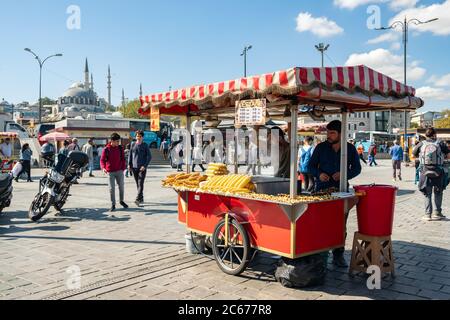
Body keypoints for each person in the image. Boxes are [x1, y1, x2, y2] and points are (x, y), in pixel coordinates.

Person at [308, 120, 362, 267]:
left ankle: (338, 254)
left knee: (340, 224)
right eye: (328, 132)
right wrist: (319, 174)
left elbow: (357, 168)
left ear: (340, 134)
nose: (329, 135)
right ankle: (320, 253)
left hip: (341, 191)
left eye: (332, 133)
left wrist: (344, 174)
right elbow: (310, 166)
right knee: (322, 223)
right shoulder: (320, 148)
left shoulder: (350, 149)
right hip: (322, 191)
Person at [412, 127, 450, 221]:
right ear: (434, 134)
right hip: (438, 171)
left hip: (425, 171)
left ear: (426, 135)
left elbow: (413, 154)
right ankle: (437, 213)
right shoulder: (440, 143)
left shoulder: (421, 143)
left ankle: (428, 214)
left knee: (427, 193)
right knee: (438, 192)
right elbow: (448, 154)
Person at [100, 133, 128, 212]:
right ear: (111, 141)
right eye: (116, 141)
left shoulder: (120, 148)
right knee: (111, 188)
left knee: (121, 187)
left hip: (119, 171)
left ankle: (121, 201)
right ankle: (113, 204)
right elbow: (102, 160)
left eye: (118, 141)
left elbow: (123, 159)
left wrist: (123, 168)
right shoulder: (106, 149)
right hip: (110, 172)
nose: (118, 143)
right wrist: (103, 168)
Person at [128, 130, 152, 206]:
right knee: (137, 184)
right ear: (135, 136)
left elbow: (149, 156)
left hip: (142, 168)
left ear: (142, 137)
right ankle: (141, 197)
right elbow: (130, 155)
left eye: (140, 136)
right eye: (137, 136)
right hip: (134, 167)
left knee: (140, 183)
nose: (138, 137)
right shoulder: (132, 144)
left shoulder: (145, 145)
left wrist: (144, 166)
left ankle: (138, 199)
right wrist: (129, 165)